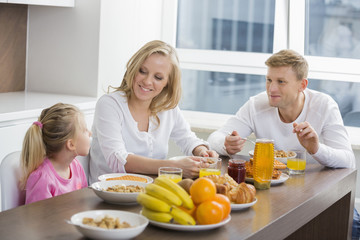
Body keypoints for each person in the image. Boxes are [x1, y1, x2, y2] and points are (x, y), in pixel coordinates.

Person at [207, 49, 357, 239]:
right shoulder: (256, 105)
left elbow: (348, 160)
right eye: (269, 80)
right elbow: (216, 137)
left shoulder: (324, 105)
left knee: (352, 227)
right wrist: (226, 144)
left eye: (281, 82)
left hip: (320, 195)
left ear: (302, 85)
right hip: (275, 196)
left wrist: (316, 148)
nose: (271, 89)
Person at [89, 40, 217, 183]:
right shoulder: (109, 105)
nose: (147, 81)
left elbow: (187, 139)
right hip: (107, 193)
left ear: (168, 82)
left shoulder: (167, 108)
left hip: (151, 191)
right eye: (142, 71)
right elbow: (118, 160)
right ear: (133, 69)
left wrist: (201, 151)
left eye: (158, 77)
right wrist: (172, 166)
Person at [20, 103, 91, 204]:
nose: (90, 133)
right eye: (85, 130)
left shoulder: (76, 167)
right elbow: (37, 217)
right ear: (71, 144)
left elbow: (83, 203)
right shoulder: (43, 179)